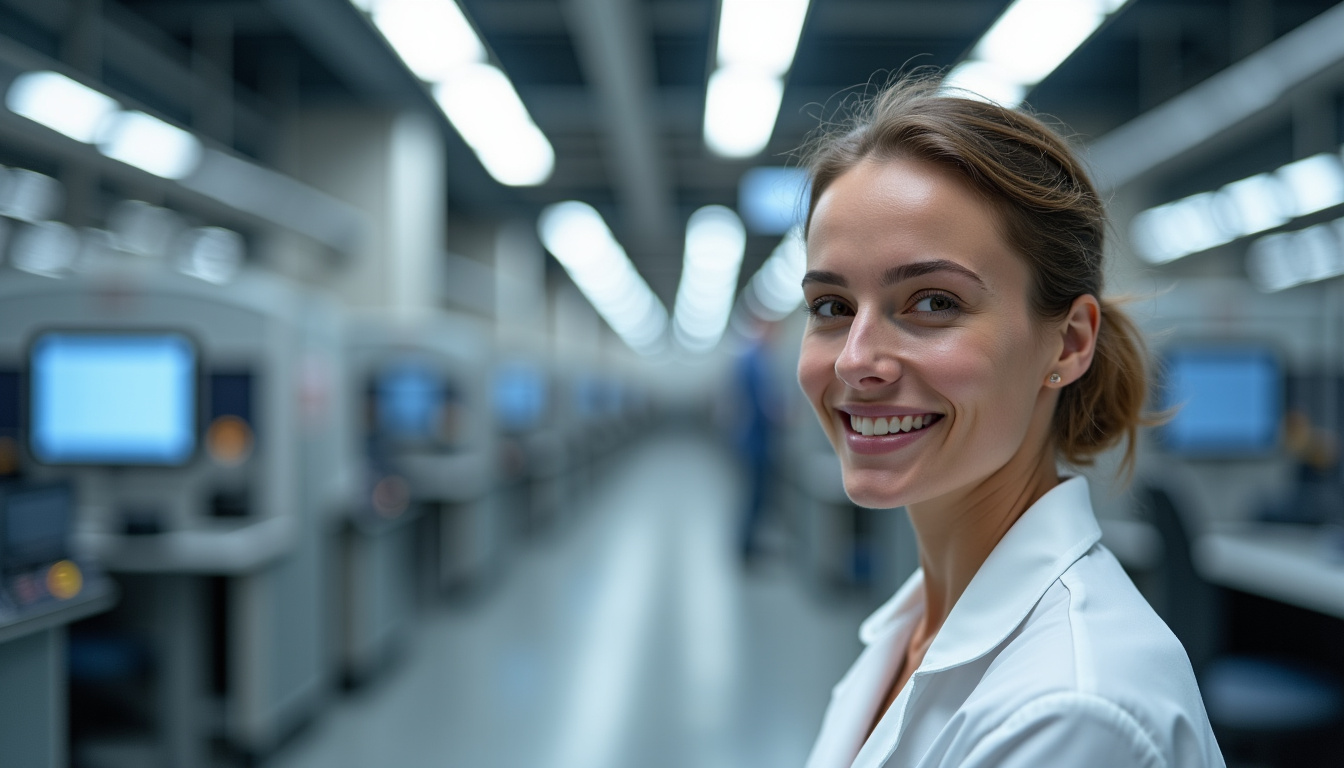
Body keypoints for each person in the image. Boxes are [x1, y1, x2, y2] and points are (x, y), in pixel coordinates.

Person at [796, 76, 1225, 768]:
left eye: (933, 302)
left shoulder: (1074, 714)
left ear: (1068, 343)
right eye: (831, 307)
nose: (855, 361)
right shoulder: (916, 626)